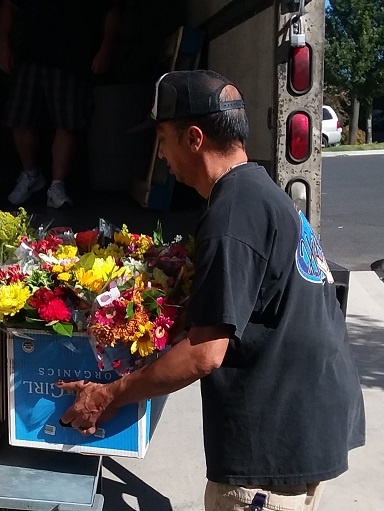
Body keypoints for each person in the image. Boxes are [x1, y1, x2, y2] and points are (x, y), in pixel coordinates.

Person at [56, 70, 365, 510]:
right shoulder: (259, 193)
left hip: (269, 457)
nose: (160, 154)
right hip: (307, 429)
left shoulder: (233, 214)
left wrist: (110, 395)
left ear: (194, 138)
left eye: (163, 138)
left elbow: (206, 354)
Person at [0, 0, 120, 208]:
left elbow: (112, 9)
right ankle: (30, 174)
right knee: (18, 118)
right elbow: (9, 5)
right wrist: (3, 45)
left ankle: (57, 186)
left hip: (72, 58)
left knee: (67, 123)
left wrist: (106, 49)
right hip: (30, 56)